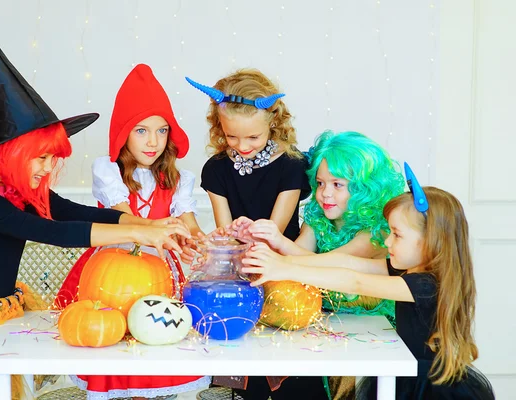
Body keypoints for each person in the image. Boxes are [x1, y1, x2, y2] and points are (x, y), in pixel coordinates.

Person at [0, 18, 188, 400]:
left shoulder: (23, 193)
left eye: (51, 158)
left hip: (5, 307)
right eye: (40, 158)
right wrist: (138, 233)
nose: (47, 168)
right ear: (10, 157)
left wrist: (140, 222)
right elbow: (57, 233)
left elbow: (76, 213)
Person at [241, 163, 495, 400]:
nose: (387, 243)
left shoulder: (424, 285)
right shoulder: (409, 272)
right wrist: (282, 258)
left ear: (431, 240)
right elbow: (347, 263)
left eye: (396, 235)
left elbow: (355, 282)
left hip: (427, 386)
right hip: (406, 371)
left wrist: (284, 268)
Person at [60, 64, 210, 399]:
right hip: (109, 273)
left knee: (152, 344)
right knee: (112, 345)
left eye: (161, 131)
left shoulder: (179, 179)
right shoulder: (108, 171)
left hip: (159, 273)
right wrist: (160, 228)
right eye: (141, 130)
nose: (153, 141)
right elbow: (126, 220)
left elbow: (189, 223)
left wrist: (202, 242)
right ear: (123, 133)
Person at [186, 69, 316, 399]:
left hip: (284, 267)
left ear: (273, 123)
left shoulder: (291, 164)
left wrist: (253, 235)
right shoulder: (215, 170)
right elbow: (225, 234)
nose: (242, 146)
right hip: (238, 272)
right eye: (232, 137)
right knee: (246, 367)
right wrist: (231, 234)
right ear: (220, 128)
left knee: (292, 372)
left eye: (253, 138)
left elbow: (276, 230)